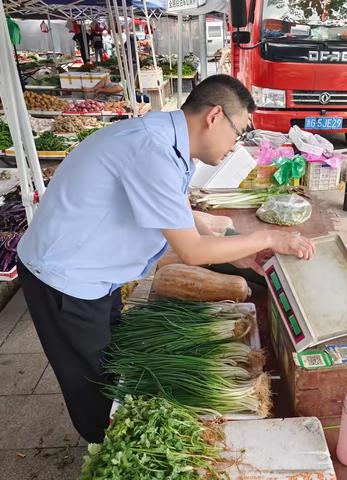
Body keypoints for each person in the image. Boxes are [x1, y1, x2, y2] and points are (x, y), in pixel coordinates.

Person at [17, 74, 315, 443]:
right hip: (65, 280)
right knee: (93, 384)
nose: (236, 147)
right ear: (214, 116)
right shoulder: (152, 151)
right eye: (238, 133)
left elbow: (168, 210)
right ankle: (106, 449)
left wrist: (234, 248)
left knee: (112, 360)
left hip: (94, 274)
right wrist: (268, 236)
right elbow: (191, 252)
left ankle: (113, 433)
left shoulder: (166, 141)